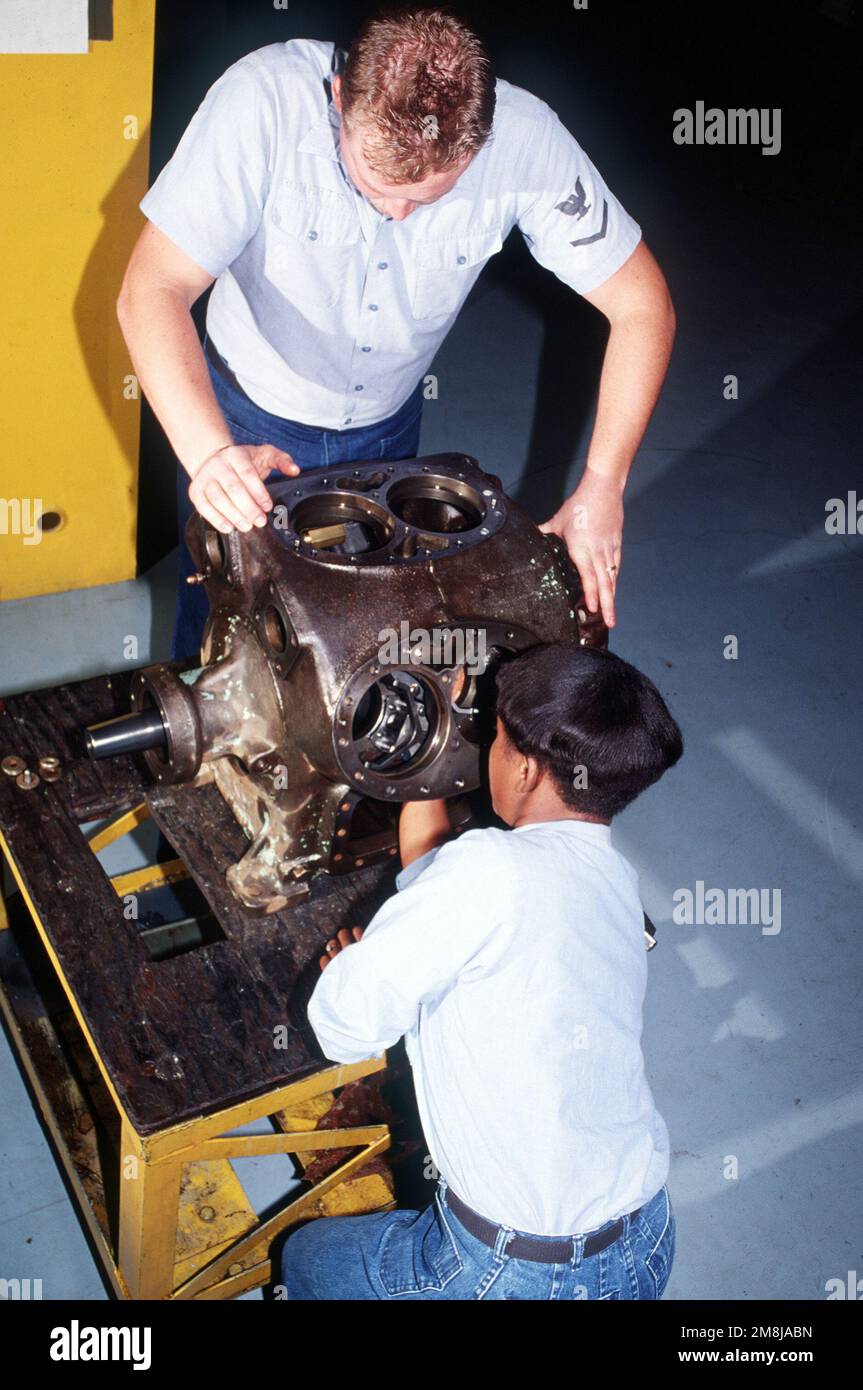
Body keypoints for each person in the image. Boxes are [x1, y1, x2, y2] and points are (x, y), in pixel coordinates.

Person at [117, 5, 675, 659]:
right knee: (223, 623)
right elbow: (151, 289)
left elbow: (642, 306)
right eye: (375, 182)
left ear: (482, 139)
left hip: (389, 431)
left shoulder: (527, 141)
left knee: (374, 626)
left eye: (430, 197)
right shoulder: (261, 101)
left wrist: (603, 485)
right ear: (337, 97)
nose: (397, 214)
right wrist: (209, 454)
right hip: (243, 419)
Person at [279, 642, 684, 1300]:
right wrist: (421, 758)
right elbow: (435, 870)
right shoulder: (609, 876)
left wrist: (357, 965)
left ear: (522, 768)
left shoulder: (485, 871)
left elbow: (341, 1029)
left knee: (307, 1256)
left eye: (492, 739)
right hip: (644, 1240)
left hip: (510, 1276)